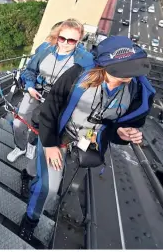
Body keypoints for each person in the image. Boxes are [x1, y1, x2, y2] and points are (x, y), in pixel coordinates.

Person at [18, 35, 154, 242]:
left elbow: (117, 126)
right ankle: (29, 221)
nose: (132, 74)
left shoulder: (136, 91)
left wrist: (121, 133)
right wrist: (50, 144)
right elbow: (50, 109)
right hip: (58, 135)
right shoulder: (78, 75)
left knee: (45, 173)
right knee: (49, 188)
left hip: (88, 141)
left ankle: (28, 175)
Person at [7, 19, 93, 165]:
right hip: (35, 92)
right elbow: (30, 71)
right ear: (57, 35)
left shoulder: (84, 59)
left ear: (79, 40)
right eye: (62, 38)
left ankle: (32, 144)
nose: (65, 43)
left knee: (39, 125)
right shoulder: (45, 50)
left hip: (58, 100)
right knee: (18, 123)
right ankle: (20, 146)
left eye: (71, 40)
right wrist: (29, 86)